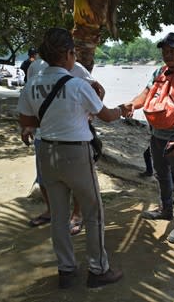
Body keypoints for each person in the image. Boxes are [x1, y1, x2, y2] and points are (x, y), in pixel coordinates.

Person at [17, 27, 128, 289]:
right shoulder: (77, 84)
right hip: (75, 153)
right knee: (93, 212)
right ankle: (98, 269)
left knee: (58, 215)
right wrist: (123, 109)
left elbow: (27, 121)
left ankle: (66, 270)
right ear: (69, 54)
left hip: (46, 152)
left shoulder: (31, 84)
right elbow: (107, 115)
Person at [126, 32, 174, 243]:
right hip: (156, 135)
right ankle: (166, 209)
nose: (168, 55)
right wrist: (131, 105)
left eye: (173, 51)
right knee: (161, 175)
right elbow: (145, 96)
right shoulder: (158, 73)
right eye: (165, 51)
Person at [27, 58, 106, 236]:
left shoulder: (76, 68)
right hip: (44, 137)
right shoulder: (35, 67)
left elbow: (99, 90)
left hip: (75, 138)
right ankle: (51, 212)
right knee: (44, 179)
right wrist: (29, 125)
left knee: (78, 182)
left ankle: (77, 215)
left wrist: (90, 114)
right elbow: (30, 98)